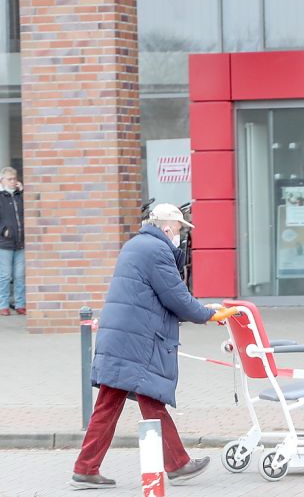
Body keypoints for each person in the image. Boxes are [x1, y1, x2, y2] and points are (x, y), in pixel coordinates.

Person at [70, 203, 234, 490]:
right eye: (181, 229)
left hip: (123, 336)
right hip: (137, 341)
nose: (181, 236)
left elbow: (159, 297)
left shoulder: (137, 245)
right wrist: (208, 314)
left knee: (111, 404)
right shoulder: (156, 251)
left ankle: (87, 467)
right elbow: (176, 297)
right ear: (169, 226)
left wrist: (200, 309)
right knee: (150, 401)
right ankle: (178, 465)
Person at [0, 166, 25, 316]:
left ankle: (20, 304)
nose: (13, 182)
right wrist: (3, 230)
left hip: (20, 242)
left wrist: (22, 192)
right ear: (2, 180)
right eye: (9, 179)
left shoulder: (19, 195)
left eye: (15, 179)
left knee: (20, 275)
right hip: (4, 243)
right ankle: (3, 304)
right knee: (5, 274)